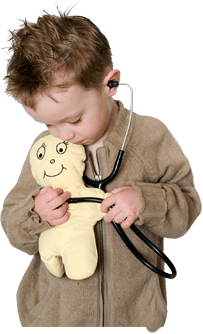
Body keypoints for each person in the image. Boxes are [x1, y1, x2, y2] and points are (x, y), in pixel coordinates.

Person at [0, 2, 202, 332]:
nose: (63, 135)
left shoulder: (151, 137)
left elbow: (188, 208)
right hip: (57, 318)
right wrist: (36, 212)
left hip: (132, 317)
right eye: (49, 125)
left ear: (110, 84)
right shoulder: (44, 151)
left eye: (74, 120)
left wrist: (145, 201)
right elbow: (13, 227)